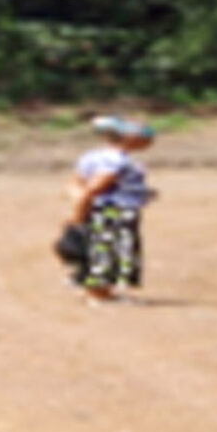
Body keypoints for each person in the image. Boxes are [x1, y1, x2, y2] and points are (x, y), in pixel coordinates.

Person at [64, 116, 156, 301]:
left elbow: (75, 184)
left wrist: (80, 207)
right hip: (114, 210)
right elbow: (96, 188)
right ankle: (98, 292)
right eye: (146, 136)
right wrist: (78, 214)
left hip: (102, 208)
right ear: (129, 137)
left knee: (101, 247)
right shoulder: (116, 160)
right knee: (110, 249)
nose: (150, 140)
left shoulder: (93, 156)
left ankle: (100, 289)